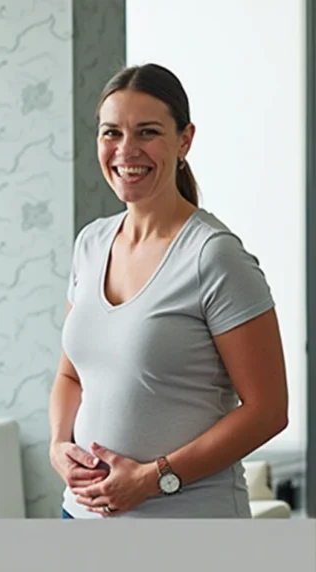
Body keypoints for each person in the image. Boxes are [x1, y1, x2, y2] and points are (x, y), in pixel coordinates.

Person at [48, 63, 288, 518]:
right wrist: (59, 445)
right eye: (111, 133)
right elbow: (71, 376)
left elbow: (268, 409)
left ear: (184, 140)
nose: (126, 150)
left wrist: (154, 477)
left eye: (147, 132)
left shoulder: (214, 256)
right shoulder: (91, 244)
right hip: (79, 519)